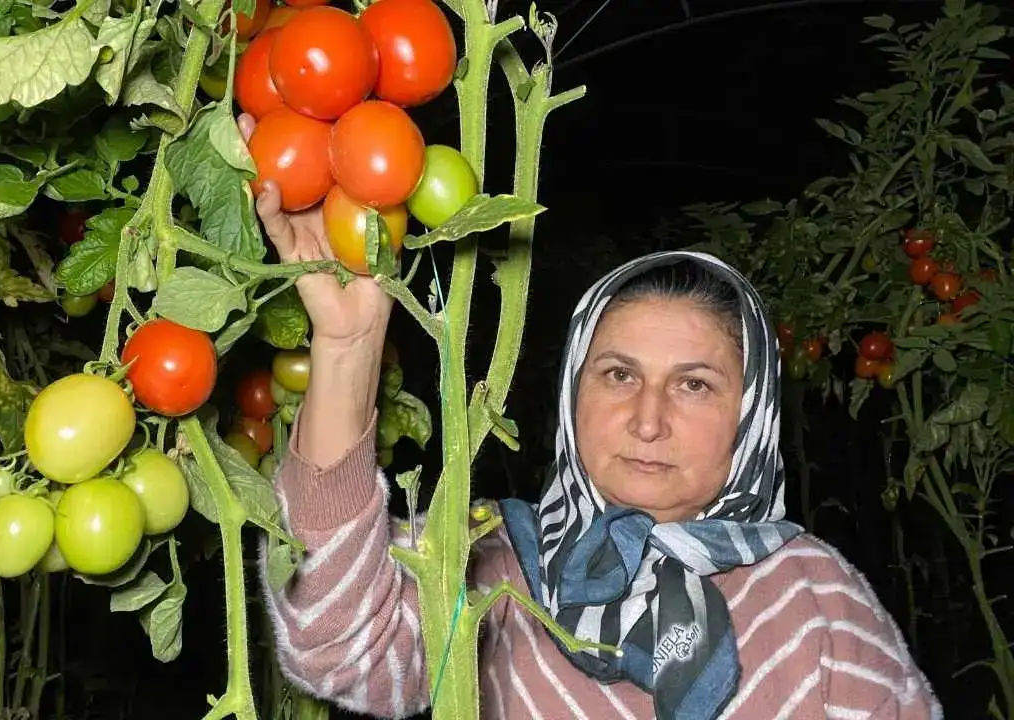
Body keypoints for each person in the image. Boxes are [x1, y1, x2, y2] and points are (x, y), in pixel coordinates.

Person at [238, 117, 941, 720]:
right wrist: (350, 345)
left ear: (750, 417)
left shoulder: (815, 601)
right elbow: (338, 646)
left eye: (694, 385)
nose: (647, 421)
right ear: (574, 394)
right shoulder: (494, 560)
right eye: (619, 375)